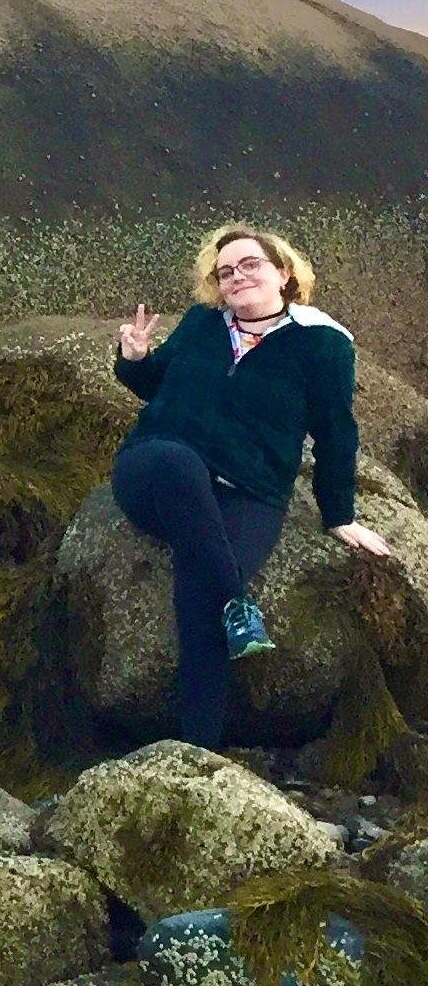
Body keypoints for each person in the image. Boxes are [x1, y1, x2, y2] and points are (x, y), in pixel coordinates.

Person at [108, 224, 390, 751]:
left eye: (249, 265)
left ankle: (199, 749)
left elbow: (335, 431)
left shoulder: (323, 345)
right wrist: (137, 359)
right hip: (156, 469)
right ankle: (241, 608)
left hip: (250, 490)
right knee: (178, 461)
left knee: (200, 586)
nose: (236, 276)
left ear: (283, 273)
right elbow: (155, 388)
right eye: (225, 272)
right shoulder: (201, 324)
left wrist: (339, 515)